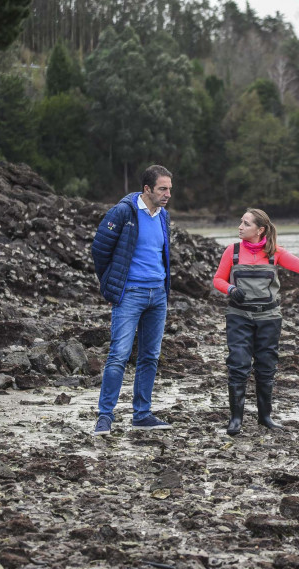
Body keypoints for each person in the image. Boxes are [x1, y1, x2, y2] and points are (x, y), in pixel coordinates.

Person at [212, 208, 299, 435]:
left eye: (245, 224)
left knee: (266, 367)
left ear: (259, 230)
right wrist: (231, 289)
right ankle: (235, 419)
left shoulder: (274, 252)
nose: (240, 227)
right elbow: (217, 280)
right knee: (238, 365)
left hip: (269, 318)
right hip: (239, 317)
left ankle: (265, 417)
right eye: (241, 223)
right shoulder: (231, 251)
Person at [90, 165, 175, 436]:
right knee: (118, 356)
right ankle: (105, 417)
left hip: (158, 295)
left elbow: (161, 253)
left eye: (170, 189)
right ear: (147, 189)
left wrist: (162, 287)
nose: (167, 194)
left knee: (150, 356)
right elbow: (100, 250)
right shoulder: (123, 212)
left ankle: (142, 414)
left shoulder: (164, 216)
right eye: (162, 189)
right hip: (130, 294)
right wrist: (113, 284)